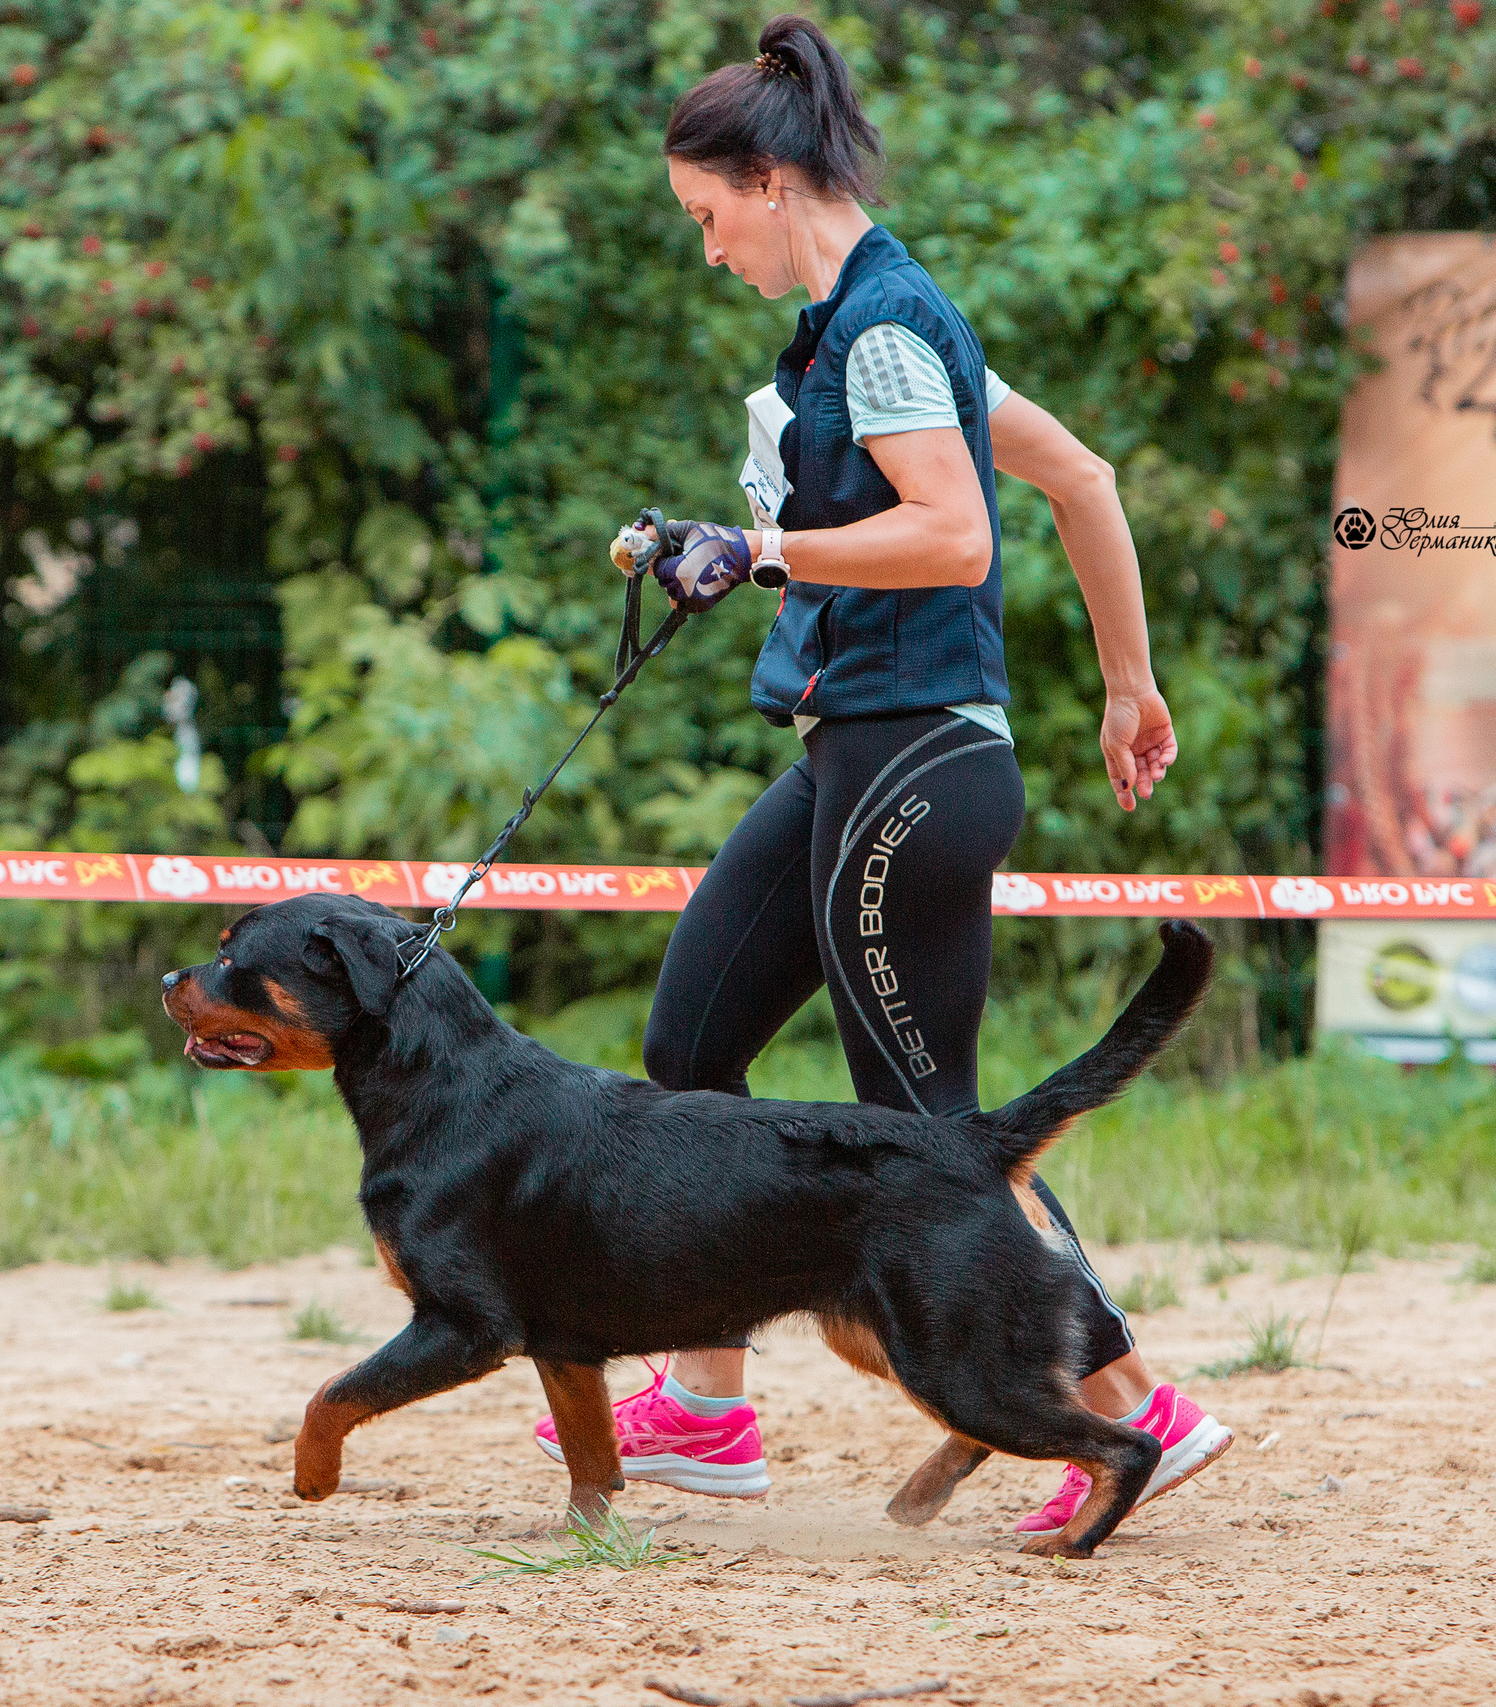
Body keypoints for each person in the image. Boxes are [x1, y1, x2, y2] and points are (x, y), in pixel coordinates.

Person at [531, 14, 1231, 1535]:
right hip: (857, 762)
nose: (711, 253)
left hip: (911, 770)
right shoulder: (867, 335)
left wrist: (763, 547)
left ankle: (1137, 1413)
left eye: (709, 221)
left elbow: (957, 533)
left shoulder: (888, 327)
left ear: (773, 183)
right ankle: (708, 1408)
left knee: (936, 1133)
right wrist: (1128, 683)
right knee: (691, 1038)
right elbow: (1082, 479)